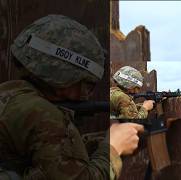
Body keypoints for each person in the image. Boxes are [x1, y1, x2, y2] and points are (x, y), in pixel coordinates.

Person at [0, 15, 142, 180]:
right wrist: (113, 148)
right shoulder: (42, 114)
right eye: (86, 83)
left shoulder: (9, 94)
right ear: (64, 75)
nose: (86, 94)